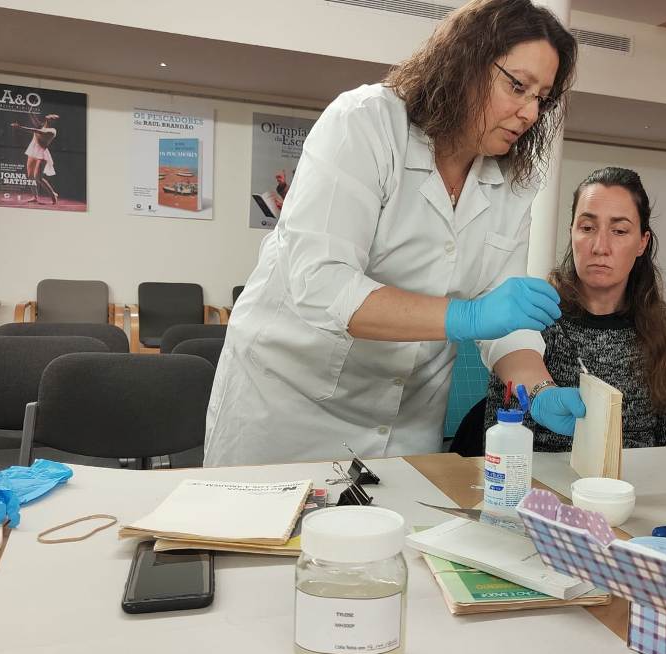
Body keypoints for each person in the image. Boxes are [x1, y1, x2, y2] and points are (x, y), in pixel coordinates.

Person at [204, 0, 585, 467]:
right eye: (518, 86)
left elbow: (502, 325)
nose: (529, 113)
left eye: (542, 98)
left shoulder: (513, 181)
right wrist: (465, 316)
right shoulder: (364, 124)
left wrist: (539, 388)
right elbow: (322, 284)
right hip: (289, 408)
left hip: (405, 422)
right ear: (465, 63)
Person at [484, 167, 666, 451]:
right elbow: (502, 438)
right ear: (571, 232)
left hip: (634, 486)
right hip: (545, 488)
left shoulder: (661, 323)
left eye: (619, 231)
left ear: (642, 243)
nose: (600, 246)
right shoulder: (536, 315)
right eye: (587, 228)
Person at [11, 113, 60, 205]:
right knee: (30, 176)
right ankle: (35, 197)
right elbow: (35, 121)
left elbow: (35, 130)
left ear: (53, 122)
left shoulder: (52, 131)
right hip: (33, 151)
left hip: (42, 153)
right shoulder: (42, 125)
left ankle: (53, 194)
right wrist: (30, 112)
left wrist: (20, 128)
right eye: (52, 115)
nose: (51, 116)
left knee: (38, 177)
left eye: (54, 117)